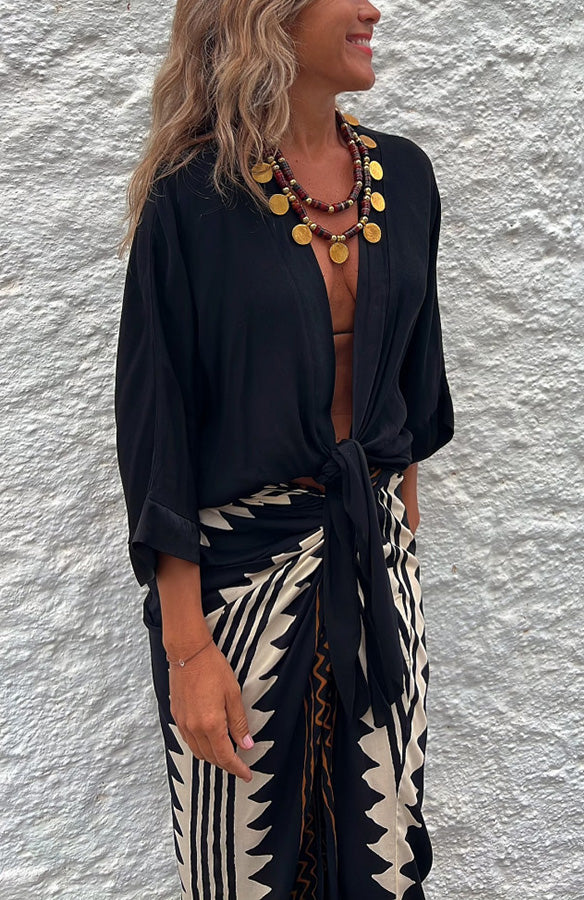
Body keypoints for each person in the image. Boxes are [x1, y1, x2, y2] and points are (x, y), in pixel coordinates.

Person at [114, 0, 454, 896]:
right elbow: (156, 430)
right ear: (268, 16)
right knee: (243, 858)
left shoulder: (404, 176)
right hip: (236, 590)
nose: (372, 9)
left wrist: (398, 535)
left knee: (381, 844)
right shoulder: (194, 196)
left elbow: (413, 381)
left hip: (372, 565)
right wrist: (188, 651)